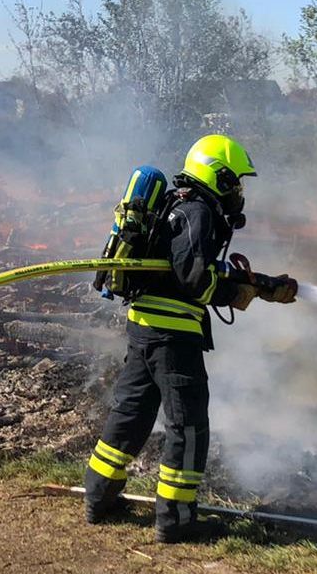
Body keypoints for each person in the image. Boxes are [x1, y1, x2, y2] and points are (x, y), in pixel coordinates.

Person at [83, 134, 295, 543]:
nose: (239, 192)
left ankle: (99, 496)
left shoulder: (176, 206)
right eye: (235, 181)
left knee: (131, 413)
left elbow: (185, 265)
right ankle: (176, 519)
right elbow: (194, 277)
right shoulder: (198, 211)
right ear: (217, 176)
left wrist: (258, 285)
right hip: (174, 335)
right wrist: (235, 294)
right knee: (188, 425)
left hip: (144, 327)